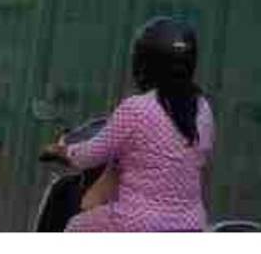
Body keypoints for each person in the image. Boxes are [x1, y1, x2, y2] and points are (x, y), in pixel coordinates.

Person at [46, 16, 214, 232]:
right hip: (191, 225)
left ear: (143, 63)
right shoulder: (203, 109)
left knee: (75, 226)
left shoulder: (137, 108)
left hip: (137, 222)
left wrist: (62, 151)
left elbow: (89, 156)